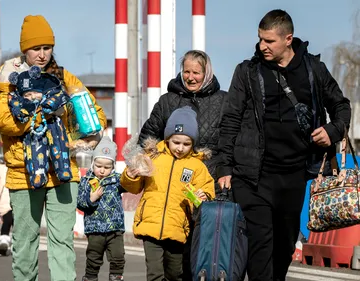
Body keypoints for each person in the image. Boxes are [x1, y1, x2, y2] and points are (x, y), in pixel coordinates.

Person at [216, 9, 351, 281]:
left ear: (288, 39)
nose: (262, 46)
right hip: (253, 176)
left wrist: (332, 130)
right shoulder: (247, 72)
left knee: (284, 246)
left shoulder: (314, 70)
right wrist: (223, 166)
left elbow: (341, 106)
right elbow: (230, 119)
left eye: (269, 41)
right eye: (260, 40)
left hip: (294, 175)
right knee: (260, 246)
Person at [0, 15, 107, 280]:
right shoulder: (10, 81)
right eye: (36, 49)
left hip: (63, 170)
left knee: (62, 243)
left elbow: (95, 116)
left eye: (47, 48)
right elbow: (3, 122)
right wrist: (41, 113)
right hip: (23, 173)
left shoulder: (65, 78)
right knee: (24, 243)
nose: (42, 55)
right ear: (25, 49)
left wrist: (80, 138)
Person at [121, 107, 215, 281]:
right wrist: (130, 176)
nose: (180, 148)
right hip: (151, 224)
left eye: (186, 144)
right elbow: (134, 187)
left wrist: (204, 196)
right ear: (167, 138)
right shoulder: (152, 157)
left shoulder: (196, 165)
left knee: (174, 274)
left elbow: (207, 188)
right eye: (176, 142)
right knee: (155, 273)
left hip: (178, 227)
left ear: (193, 143)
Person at [138, 50, 226, 180]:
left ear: (206, 73)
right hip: (170, 181)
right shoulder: (167, 101)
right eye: (186, 72)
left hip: (211, 181)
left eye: (196, 73)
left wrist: (226, 171)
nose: (190, 78)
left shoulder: (224, 101)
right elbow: (147, 138)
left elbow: (231, 143)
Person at [77, 136, 126, 281]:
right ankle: (90, 278)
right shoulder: (86, 181)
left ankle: (116, 277)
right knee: (93, 258)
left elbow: (130, 185)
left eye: (107, 167)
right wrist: (91, 199)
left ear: (113, 166)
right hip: (95, 228)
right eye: (99, 166)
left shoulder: (117, 179)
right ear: (93, 163)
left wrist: (133, 173)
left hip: (114, 228)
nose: (102, 170)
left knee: (118, 257)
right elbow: (80, 202)